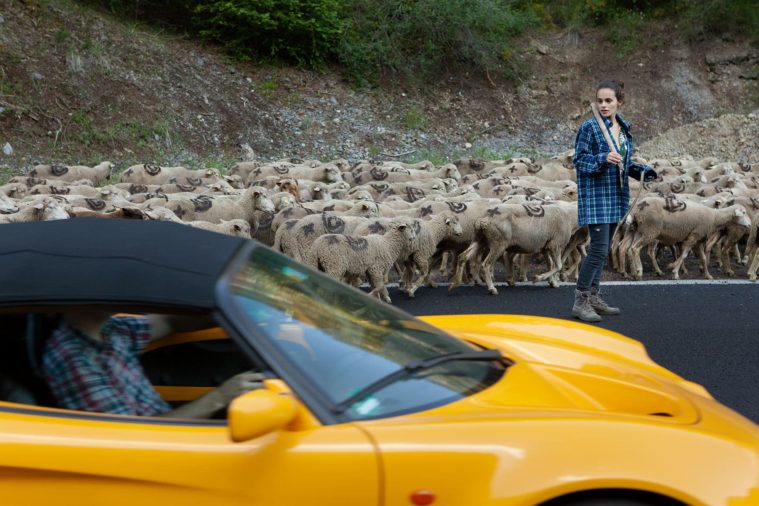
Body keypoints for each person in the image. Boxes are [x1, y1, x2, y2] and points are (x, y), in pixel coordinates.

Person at [42, 310, 264, 418]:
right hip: (157, 451)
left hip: (167, 429)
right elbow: (138, 435)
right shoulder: (74, 359)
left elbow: (171, 321)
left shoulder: (112, 329)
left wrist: (231, 309)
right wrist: (221, 396)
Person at [571, 79, 654, 323]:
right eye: (600, 101)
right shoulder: (590, 128)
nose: (604, 105)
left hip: (615, 195)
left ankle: (594, 296)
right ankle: (580, 300)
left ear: (620, 102)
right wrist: (602, 158)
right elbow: (579, 160)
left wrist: (639, 170)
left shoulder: (624, 130)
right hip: (596, 195)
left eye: (609, 100)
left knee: (604, 248)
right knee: (597, 248)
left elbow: (622, 163)